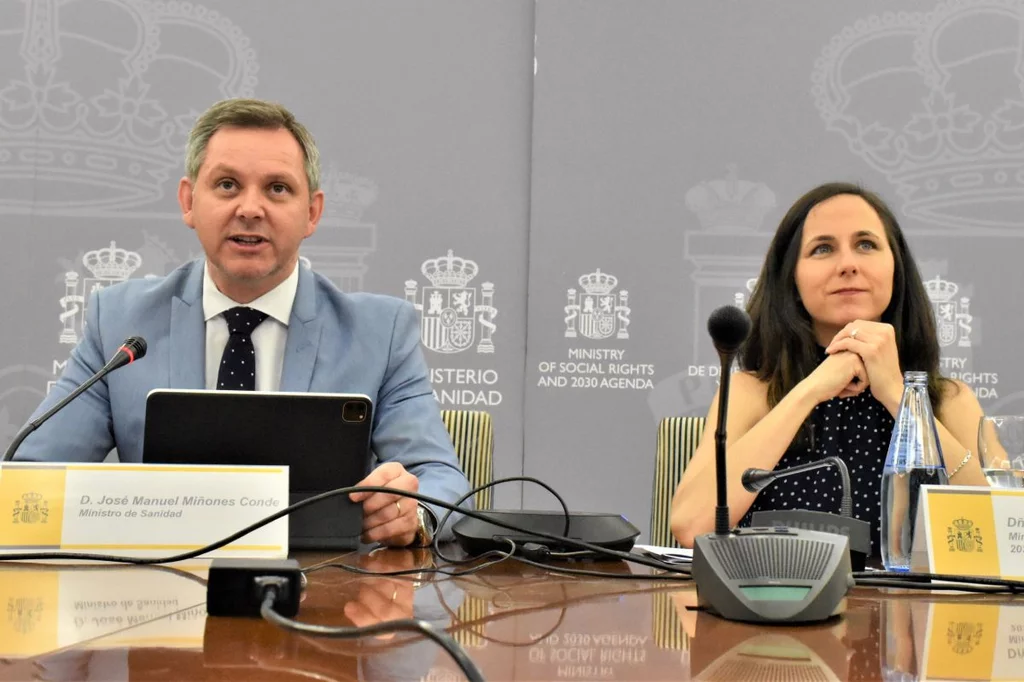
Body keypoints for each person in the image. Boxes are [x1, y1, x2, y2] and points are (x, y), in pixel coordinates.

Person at [14, 98, 471, 548]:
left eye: (276, 188)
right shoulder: (120, 321)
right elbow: (31, 477)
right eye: (228, 185)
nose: (250, 208)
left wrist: (413, 514)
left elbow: (441, 480)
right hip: (157, 595)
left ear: (311, 212)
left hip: (325, 598)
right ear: (189, 201)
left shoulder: (379, 332)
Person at [670, 182, 987, 554]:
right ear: (792, 278)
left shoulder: (949, 400)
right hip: (778, 607)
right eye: (823, 248)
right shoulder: (752, 391)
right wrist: (811, 389)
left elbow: (995, 534)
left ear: (896, 269)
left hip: (908, 612)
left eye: (866, 244)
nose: (848, 264)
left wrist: (901, 397)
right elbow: (691, 525)